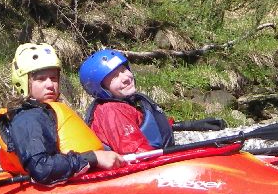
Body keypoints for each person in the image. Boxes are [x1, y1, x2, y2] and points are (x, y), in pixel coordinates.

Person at [0, 43, 125, 185]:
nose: (50, 85)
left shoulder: (48, 111)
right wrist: (93, 158)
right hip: (62, 184)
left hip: (83, 177)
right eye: (41, 79)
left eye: (53, 78)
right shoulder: (28, 117)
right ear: (24, 82)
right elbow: (41, 168)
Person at [78, 48, 226, 154]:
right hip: (151, 163)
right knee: (230, 141)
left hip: (163, 147)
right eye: (115, 76)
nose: (125, 78)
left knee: (228, 136)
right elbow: (137, 153)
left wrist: (191, 125)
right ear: (101, 88)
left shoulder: (126, 102)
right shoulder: (112, 112)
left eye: (124, 70)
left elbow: (151, 124)